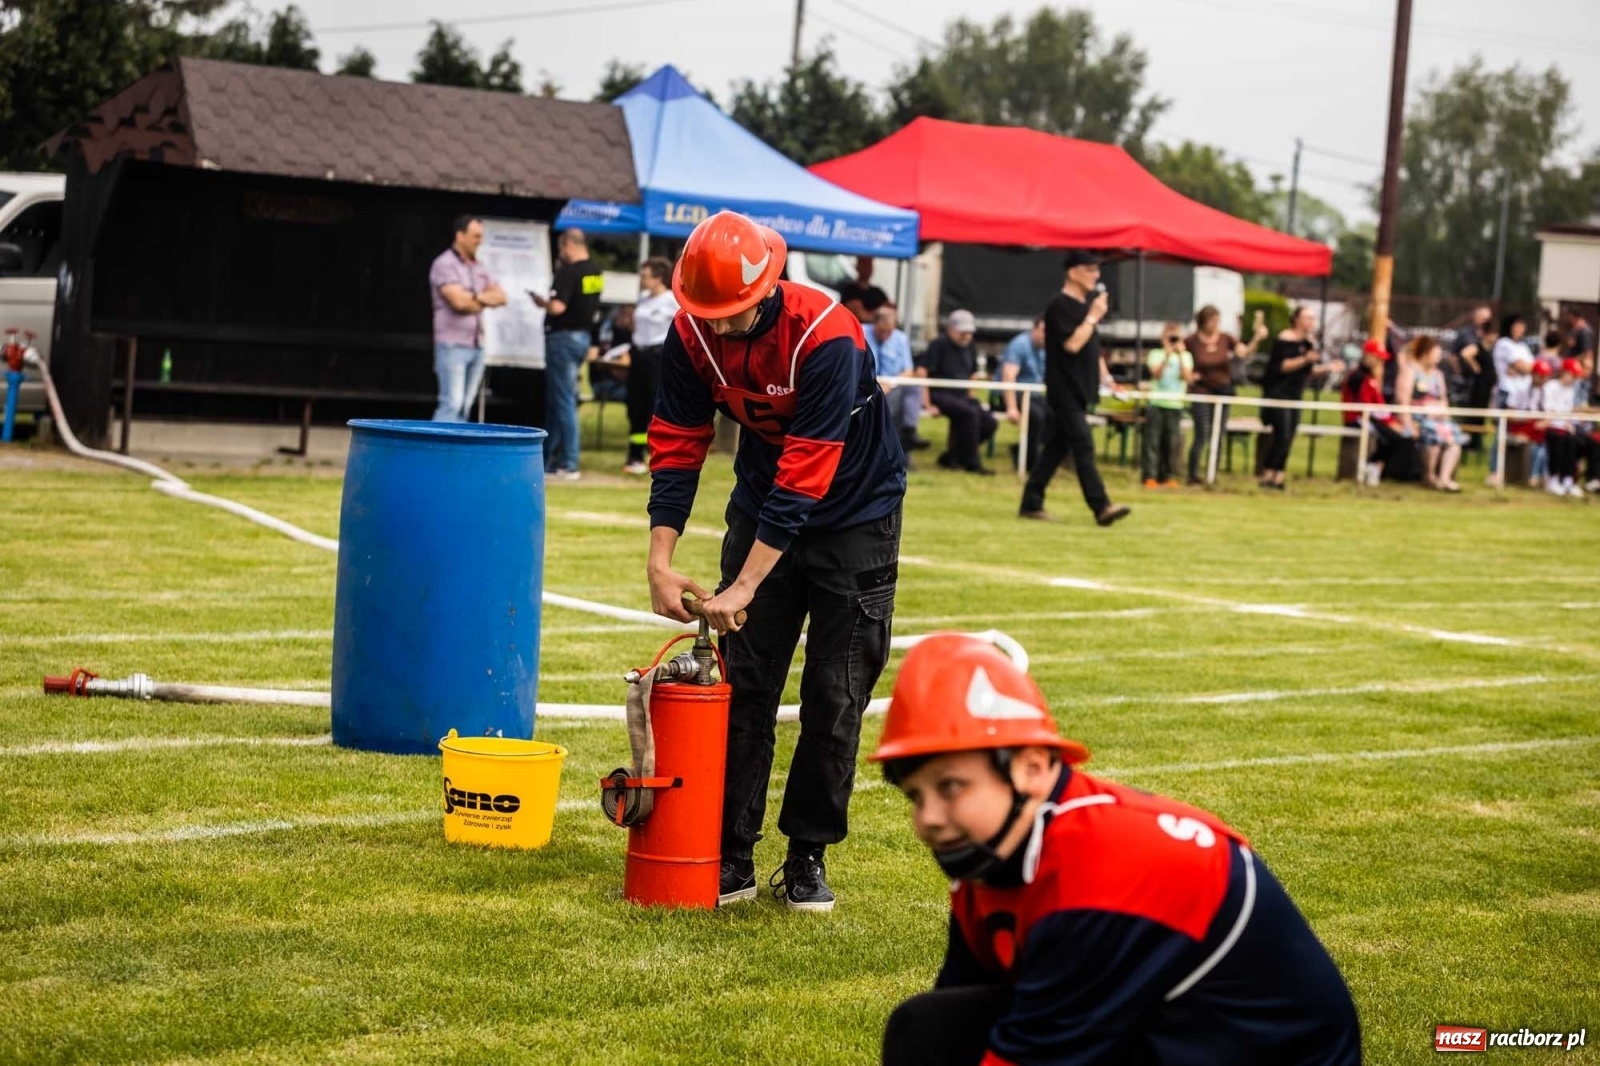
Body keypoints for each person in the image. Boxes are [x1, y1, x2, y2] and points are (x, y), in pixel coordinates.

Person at [872, 635, 1363, 1066]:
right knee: (928, 1030)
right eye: (916, 795)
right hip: (1166, 1028)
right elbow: (965, 1001)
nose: (929, 818)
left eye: (952, 786)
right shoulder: (995, 850)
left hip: (1260, 1053)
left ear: (1033, 769)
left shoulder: (1104, 875)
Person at [645, 211, 906, 912]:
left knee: (835, 691)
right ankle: (731, 852)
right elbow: (676, 440)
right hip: (762, 505)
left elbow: (806, 474)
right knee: (746, 684)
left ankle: (807, 856)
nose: (720, 326)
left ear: (768, 288)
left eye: (732, 313)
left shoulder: (827, 335)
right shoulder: (690, 331)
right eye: (709, 313)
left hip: (855, 515)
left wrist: (745, 585)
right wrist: (659, 560)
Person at [1019, 250, 1130, 526]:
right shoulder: (1059, 306)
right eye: (1090, 270)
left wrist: (1106, 378)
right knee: (1083, 443)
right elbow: (1072, 344)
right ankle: (1101, 506)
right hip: (1063, 389)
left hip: (1082, 389)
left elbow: (1091, 349)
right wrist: (1093, 317)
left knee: (1055, 449)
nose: (1096, 275)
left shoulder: (1085, 308)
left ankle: (1031, 502)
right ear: (1073, 272)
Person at [531, 229, 605, 480]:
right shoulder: (595, 272)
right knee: (561, 400)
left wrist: (542, 303)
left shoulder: (567, 272)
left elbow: (558, 306)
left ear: (569, 245)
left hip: (562, 338)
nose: (561, 253)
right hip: (582, 338)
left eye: (562, 248)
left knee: (563, 401)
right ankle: (548, 459)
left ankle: (569, 462)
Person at [428, 215, 507, 422]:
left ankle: (455, 453)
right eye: (475, 236)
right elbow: (458, 303)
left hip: (477, 344)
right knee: (451, 403)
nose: (479, 240)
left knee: (464, 406)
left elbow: (501, 297)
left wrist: (473, 296)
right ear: (460, 236)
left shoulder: (479, 266)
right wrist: (482, 299)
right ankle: (432, 451)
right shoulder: (444, 264)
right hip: (452, 345)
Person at [1184, 305, 1267, 485]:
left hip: (1222, 390)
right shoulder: (1191, 341)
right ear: (1203, 322)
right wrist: (1189, 374)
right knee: (1202, 433)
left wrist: (1257, 339)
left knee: (1218, 433)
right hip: (1201, 391)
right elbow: (1181, 359)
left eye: (1217, 320)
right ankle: (1193, 473)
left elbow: (1244, 353)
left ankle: (1212, 473)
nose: (1215, 324)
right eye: (1211, 321)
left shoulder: (1226, 338)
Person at [1259, 306, 1327, 491]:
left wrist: (1328, 368)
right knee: (1282, 434)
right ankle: (1268, 473)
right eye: (1308, 318)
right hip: (1278, 393)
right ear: (1296, 319)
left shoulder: (1308, 343)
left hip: (1295, 394)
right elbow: (1282, 366)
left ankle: (1279, 475)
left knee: (1290, 435)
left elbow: (1307, 372)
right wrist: (1305, 359)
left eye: (1313, 319)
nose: (1311, 322)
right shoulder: (1284, 339)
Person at [924, 310, 998, 476]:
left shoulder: (970, 346)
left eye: (969, 332)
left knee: (989, 422)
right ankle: (973, 463)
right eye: (962, 332)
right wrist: (927, 403)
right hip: (940, 393)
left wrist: (971, 394)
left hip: (962, 396)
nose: (966, 336)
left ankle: (952, 456)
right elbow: (924, 372)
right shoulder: (938, 344)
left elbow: (972, 373)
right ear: (951, 329)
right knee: (970, 414)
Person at [623, 256, 679, 474]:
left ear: (658, 278)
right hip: (639, 355)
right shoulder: (643, 299)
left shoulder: (670, 300)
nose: (642, 280)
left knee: (652, 405)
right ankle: (635, 454)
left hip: (657, 357)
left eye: (646, 276)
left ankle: (656, 455)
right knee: (634, 405)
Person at [1395, 335, 1466, 492]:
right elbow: (1403, 401)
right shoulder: (1410, 371)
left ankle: (1445, 478)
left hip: (1438, 419)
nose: (1438, 359)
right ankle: (1429, 476)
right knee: (1433, 438)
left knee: (1453, 440)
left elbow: (1444, 399)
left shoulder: (1438, 375)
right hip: (1419, 419)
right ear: (1425, 353)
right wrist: (1408, 425)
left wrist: (1444, 414)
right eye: (1436, 354)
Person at [1341, 339, 1408, 486]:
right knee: (1392, 438)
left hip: (1372, 418)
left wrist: (1390, 420)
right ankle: (1371, 466)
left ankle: (1374, 466)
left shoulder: (1370, 377)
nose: (1380, 362)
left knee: (1395, 438)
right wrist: (1388, 421)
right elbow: (1364, 405)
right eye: (1377, 358)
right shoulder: (1357, 377)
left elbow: (1377, 404)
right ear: (1368, 356)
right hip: (1358, 418)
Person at [865, 304, 927, 461]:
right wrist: (878, 385)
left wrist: (890, 385)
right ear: (874, 324)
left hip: (893, 387)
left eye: (889, 331)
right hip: (868, 389)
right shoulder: (861, 333)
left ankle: (909, 431)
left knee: (913, 386)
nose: (886, 334)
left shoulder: (900, 338)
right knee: (898, 406)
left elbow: (908, 370)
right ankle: (906, 441)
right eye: (882, 331)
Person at [1142, 323, 1193, 488]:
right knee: (1153, 441)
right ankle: (1150, 476)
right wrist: (1167, 354)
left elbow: (1187, 377)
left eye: (1175, 337)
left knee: (1171, 443)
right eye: (1169, 337)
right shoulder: (1156, 354)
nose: (1172, 340)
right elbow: (1156, 374)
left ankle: (1168, 476)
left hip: (1175, 404)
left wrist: (1178, 354)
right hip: (1156, 402)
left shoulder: (1185, 356)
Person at [1000, 317, 1049, 473]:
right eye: (1043, 331)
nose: (1046, 336)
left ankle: (1022, 449)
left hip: (1035, 395)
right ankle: (1030, 463)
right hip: (1012, 394)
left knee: (1058, 414)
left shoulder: (1045, 348)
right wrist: (1012, 407)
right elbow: (1008, 376)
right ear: (1034, 329)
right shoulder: (1019, 345)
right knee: (1036, 416)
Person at [1540, 358, 1585, 497]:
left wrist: (1569, 423)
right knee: (1559, 440)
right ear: (1565, 373)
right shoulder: (1550, 387)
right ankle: (1553, 479)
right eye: (1573, 375)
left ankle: (1568, 479)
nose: (1574, 379)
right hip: (1550, 426)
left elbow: (1568, 412)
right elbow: (1549, 411)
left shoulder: (1570, 390)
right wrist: (1562, 422)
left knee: (1574, 441)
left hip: (1564, 427)